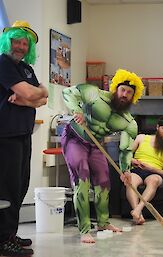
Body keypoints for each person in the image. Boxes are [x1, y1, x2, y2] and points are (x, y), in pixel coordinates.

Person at [61, 69, 144, 243]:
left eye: (129, 93)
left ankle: (103, 223)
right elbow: (68, 92)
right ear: (116, 88)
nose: (124, 95)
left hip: (96, 144)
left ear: (133, 98)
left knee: (104, 182)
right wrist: (77, 111)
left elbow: (126, 149)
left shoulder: (129, 121)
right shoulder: (95, 94)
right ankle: (84, 229)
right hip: (75, 138)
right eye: (123, 90)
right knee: (82, 179)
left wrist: (126, 170)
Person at [0, 21, 48, 256]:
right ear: (7, 41)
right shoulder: (3, 63)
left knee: (20, 185)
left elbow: (44, 96)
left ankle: (10, 233)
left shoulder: (26, 68)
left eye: (24, 42)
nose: (19, 46)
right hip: (5, 133)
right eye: (16, 41)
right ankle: (2, 240)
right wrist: (31, 95)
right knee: (7, 188)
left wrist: (26, 99)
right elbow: (33, 93)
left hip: (23, 132)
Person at [125, 116, 163, 225]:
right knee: (130, 181)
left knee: (154, 181)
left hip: (154, 173)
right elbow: (125, 155)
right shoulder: (141, 138)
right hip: (137, 170)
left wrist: (151, 168)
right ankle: (137, 213)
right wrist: (132, 160)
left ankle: (138, 209)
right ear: (157, 127)